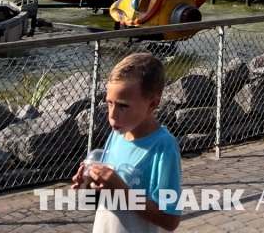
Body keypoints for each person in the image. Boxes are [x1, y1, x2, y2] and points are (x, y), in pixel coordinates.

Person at [72, 52, 182, 232]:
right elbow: (99, 202)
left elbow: (170, 220)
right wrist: (91, 184)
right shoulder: (117, 134)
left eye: (123, 106)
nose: (112, 115)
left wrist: (122, 191)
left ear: (152, 104)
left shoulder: (164, 147)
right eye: (109, 103)